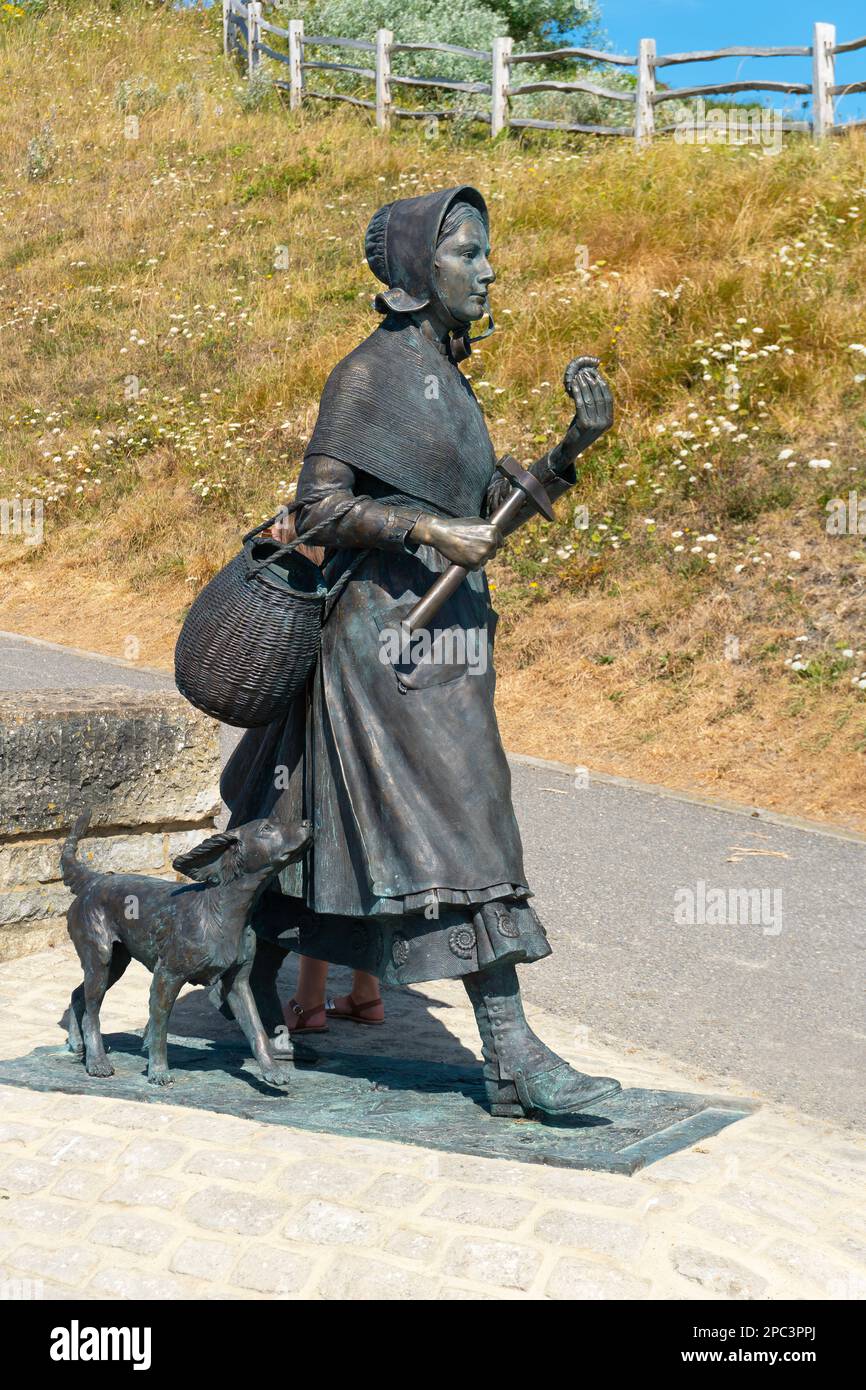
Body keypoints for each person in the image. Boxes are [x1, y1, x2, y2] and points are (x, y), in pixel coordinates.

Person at [222, 185, 620, 1117]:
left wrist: (572, 447)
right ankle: (512, 1051)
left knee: (317, 821)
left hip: (448, 639)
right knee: (470, 821)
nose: (488, 271)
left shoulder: (450, 381)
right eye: (468, 253)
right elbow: (318, 508)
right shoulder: (367, 374)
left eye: (486, 253)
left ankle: (248, 974)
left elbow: (485, 515)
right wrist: (428, 532)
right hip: (385, 645)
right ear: (416, 267)